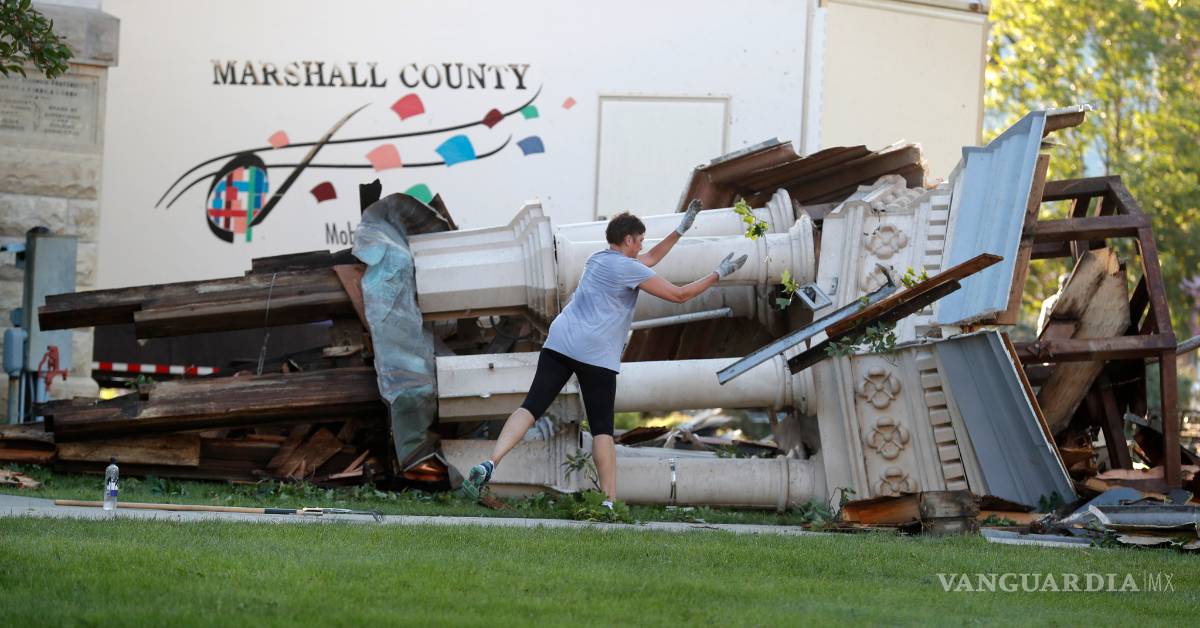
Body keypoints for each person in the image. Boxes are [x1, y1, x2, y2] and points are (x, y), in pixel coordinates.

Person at [461, 201, 748, 507]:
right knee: (602, 429)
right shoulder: (629, 267)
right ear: (628, 240)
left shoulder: (596, 259)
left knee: (531, 407)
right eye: (639, 240)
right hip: (595, 355)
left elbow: (649, 259)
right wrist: (718, 274)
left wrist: (680, 230)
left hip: (561, 342)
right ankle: (609, 502)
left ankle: (491, 462)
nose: (642, 247)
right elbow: (679, 295)